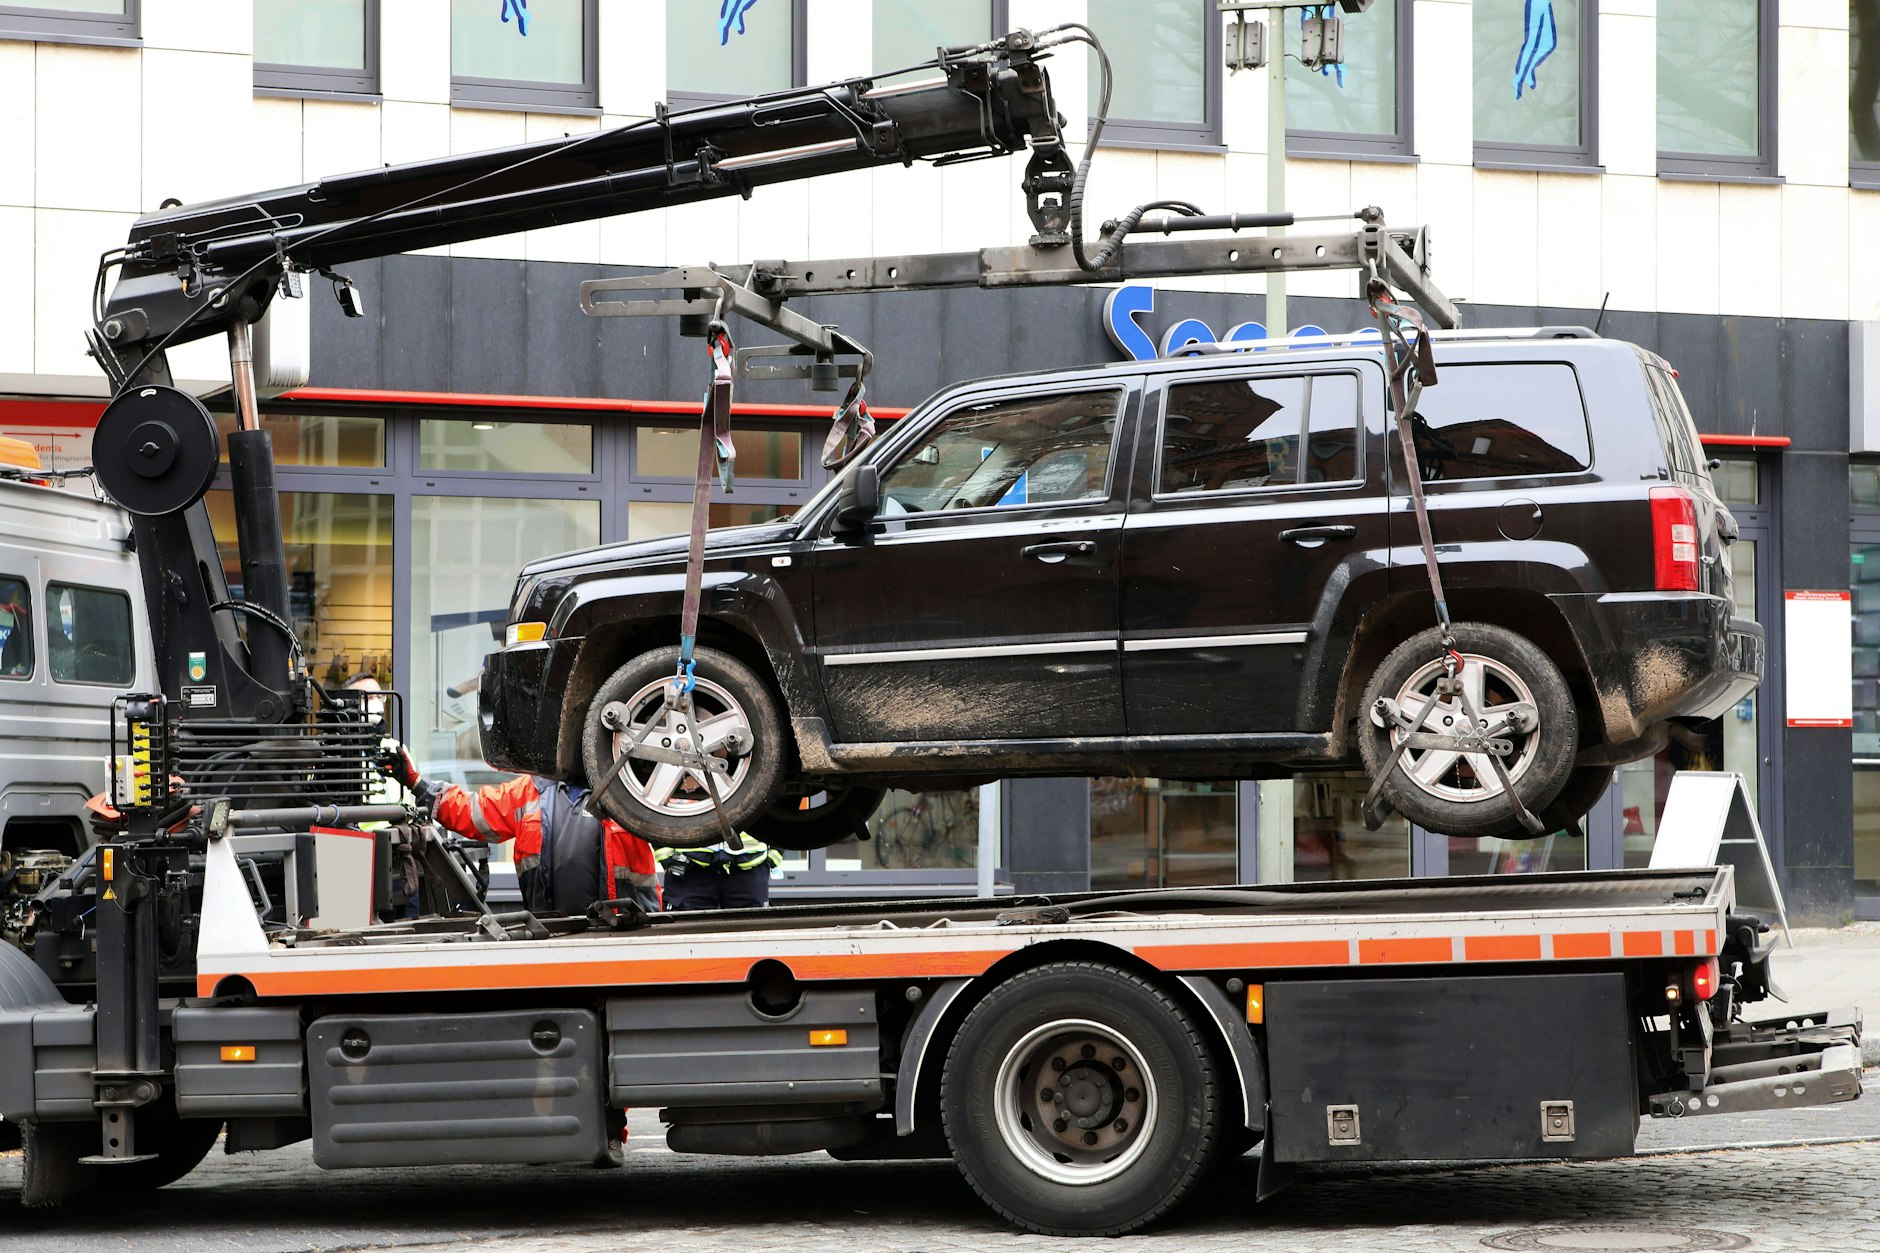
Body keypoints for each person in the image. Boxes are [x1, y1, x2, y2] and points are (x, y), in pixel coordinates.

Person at [384, 752, 659, 916]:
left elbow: (676, 815)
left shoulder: (629, 788)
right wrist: (417, 783)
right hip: (552, 937)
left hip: (621, 936)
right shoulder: (529, 792)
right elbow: (473, 812)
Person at [656, 831, 781, 911]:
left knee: (752, 934)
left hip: (749, 867)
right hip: (689, 867)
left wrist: (773, 856)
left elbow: (781, 809)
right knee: (685, 935)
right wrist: (666, 858)